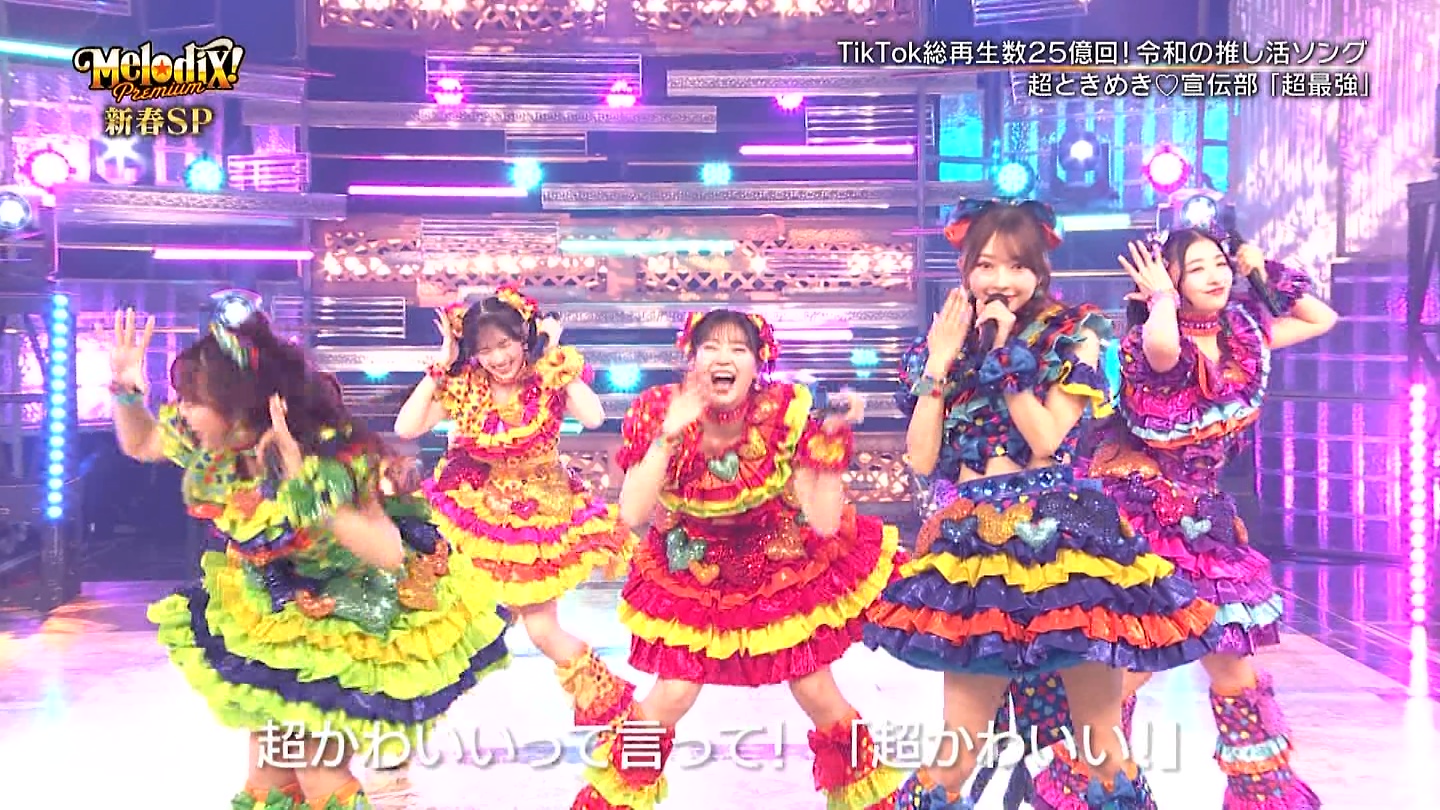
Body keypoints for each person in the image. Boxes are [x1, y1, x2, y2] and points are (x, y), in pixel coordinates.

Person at [862, 200, 1223, 810]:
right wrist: (940, 363)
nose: (999, 280)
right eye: (985, 265)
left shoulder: (1075, 333)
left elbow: (1047, 439)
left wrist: (1004, 359)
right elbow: (921, 458)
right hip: (974, 548)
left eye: (1016, 266)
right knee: (958, 744)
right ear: (965, 269)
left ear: (1039, 270)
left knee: (1099, 742)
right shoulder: (945, 339)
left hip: (1064, 546)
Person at [105, 307, 510, 810]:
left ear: (237, 404)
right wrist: (127, 391)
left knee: (319, 775)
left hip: (344, 616)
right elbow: (142, 442)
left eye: (193, 401)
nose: (182, 412)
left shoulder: (327, 455)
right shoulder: (216, 444)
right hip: (273, 616)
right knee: (270, 777)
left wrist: (305, 489)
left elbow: (386, 552)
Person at [1024, 229, 1336, 809]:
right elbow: (1165, 351)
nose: (1215, 276)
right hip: (1149, 519)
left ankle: (1261, 793)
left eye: (1219, 264)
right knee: (1134, 665)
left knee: (1233, 664)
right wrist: (1162, 299)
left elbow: (1321, 319)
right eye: (1197, 268)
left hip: (1207, 525)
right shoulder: (1148, 341)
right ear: (1170, 279)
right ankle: (1086, 786)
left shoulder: (1244, 332)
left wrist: (1260, 268)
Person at [567, 309, 909, 810]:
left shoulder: (783, 412)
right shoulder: (659, 408)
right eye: (710, 346)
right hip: (693, 572)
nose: (723, 358)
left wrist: (829, 450)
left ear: (757, 363)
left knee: (818, 691)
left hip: (778, 569)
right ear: (692, 358)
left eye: (738, 348)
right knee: (672, 695)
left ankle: (874, 801)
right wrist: (667, 436)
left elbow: (823, 522)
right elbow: (634, 512)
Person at [392, 287, 632, 737]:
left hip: (537, 520)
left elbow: (594, 417)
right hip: (479, 515)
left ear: (524, 338)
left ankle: (617, 715)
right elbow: (406, 427)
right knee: (459, 622)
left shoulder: (547, 378)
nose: (498, 358)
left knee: (541, 630)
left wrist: (554, 355)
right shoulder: (467, 386)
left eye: (504, 344)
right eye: (484, 349)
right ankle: (414, 716)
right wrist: (442, 361)